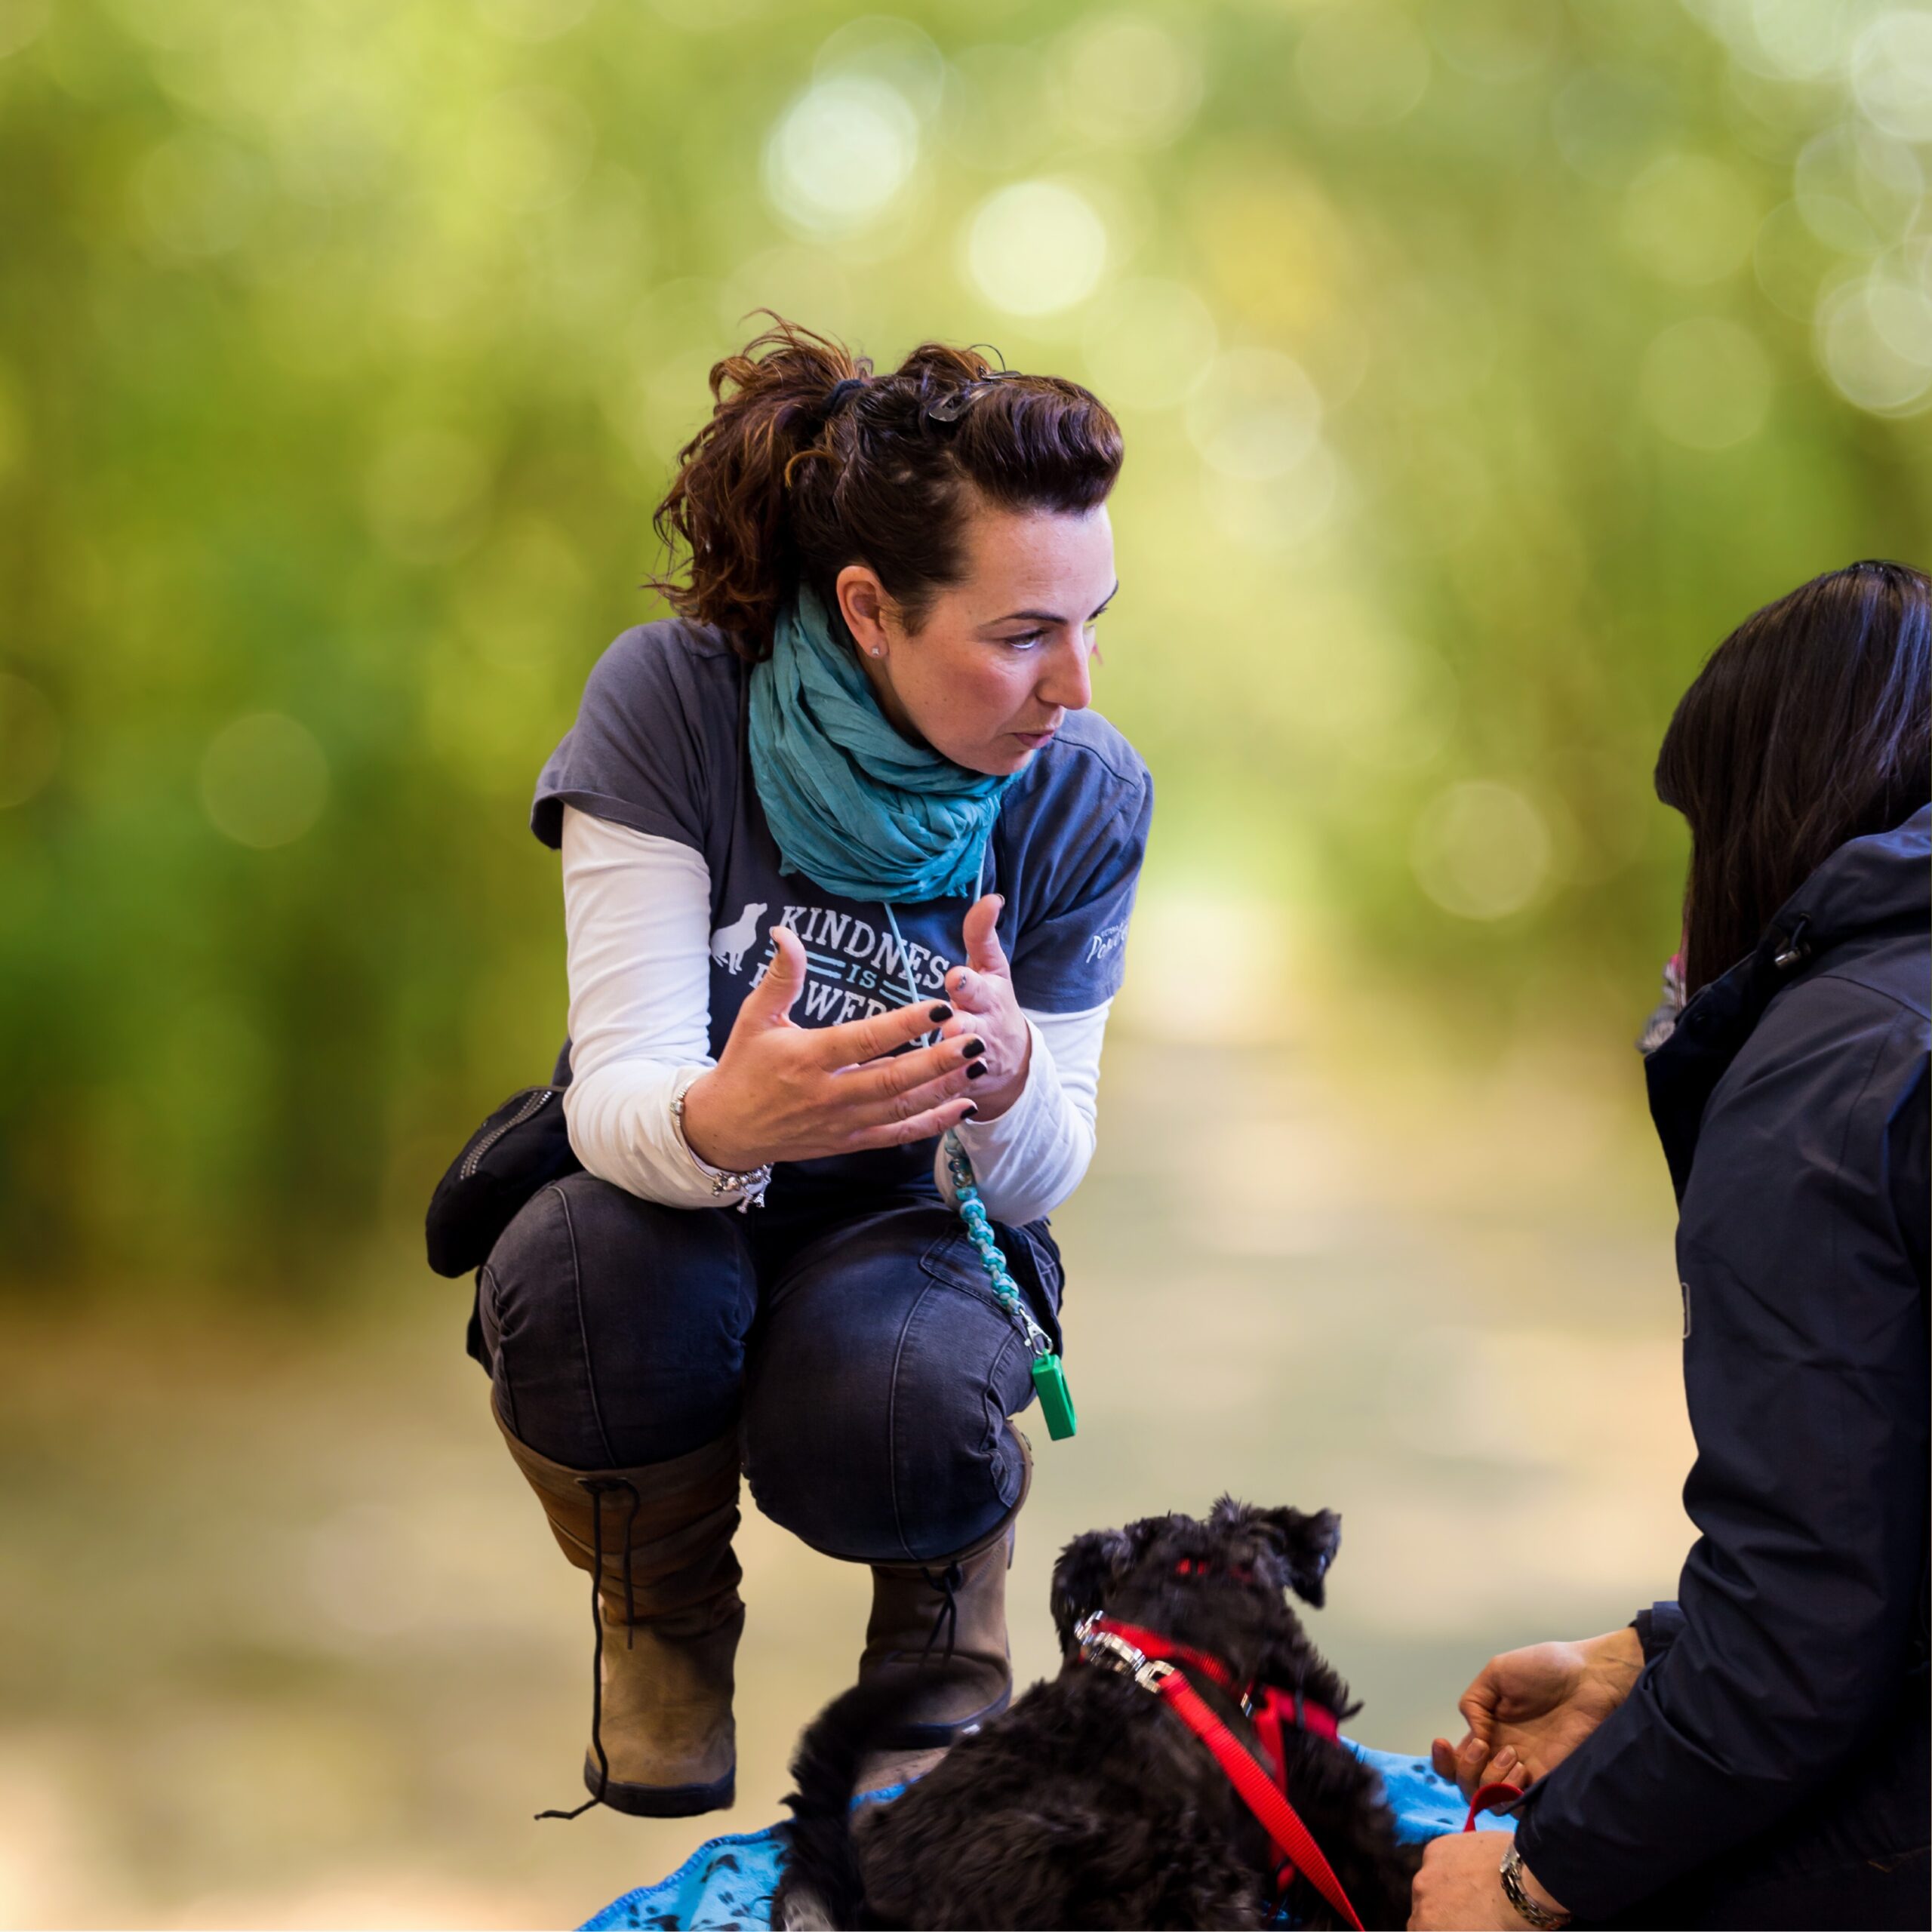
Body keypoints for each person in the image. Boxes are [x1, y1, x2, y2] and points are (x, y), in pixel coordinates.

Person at [469, 318, 1149, 1819]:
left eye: (1095, 618)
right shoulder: (674, 703)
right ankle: (661, 1609)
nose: (1075, 685)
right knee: (583, 1276)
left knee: (888, 1392)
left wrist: (1011, 1072)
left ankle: (935, 1633)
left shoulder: (1082, 792)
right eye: (1023, 632)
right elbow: (619, 1091)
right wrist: (726, 1116)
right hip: (668, 1214)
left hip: (911, 1241)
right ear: (867, 608)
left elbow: (1046, 1171)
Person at [1411, 561, 1930, 1930]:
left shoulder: (1832, 1070)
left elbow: (1805, 1637)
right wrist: (1645, 1663)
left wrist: (1536, 1881)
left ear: (1767, 811)